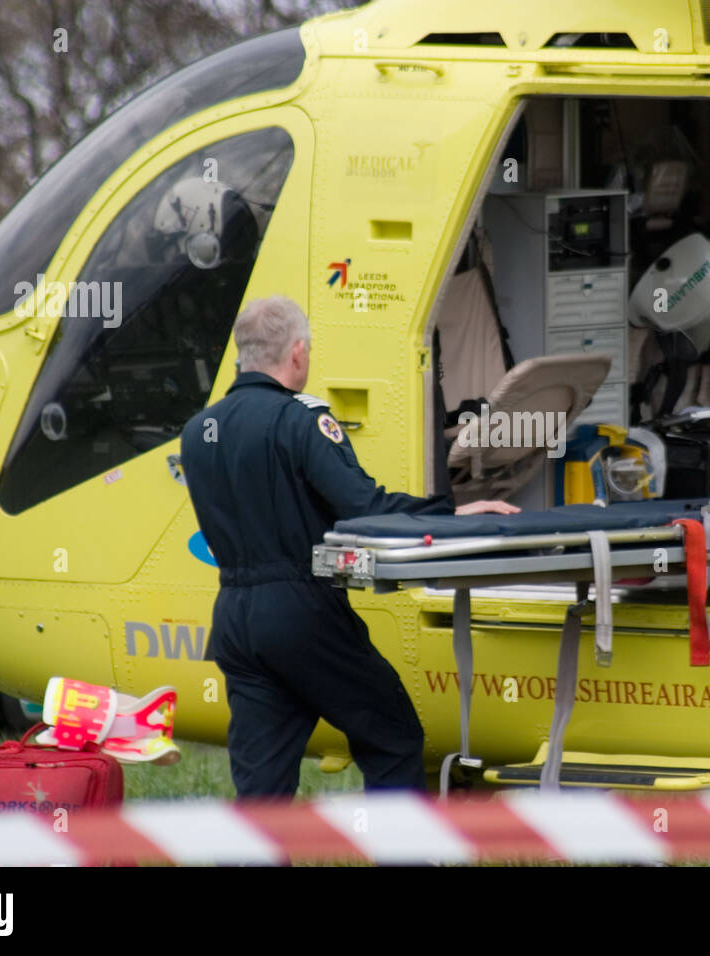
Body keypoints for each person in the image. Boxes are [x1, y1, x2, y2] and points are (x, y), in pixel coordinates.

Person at [181, 295, 518, 797]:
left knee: (261, 784)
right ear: (297, 353)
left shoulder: (197, 432)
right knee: (394, 738)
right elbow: (364, 506)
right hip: (301, 611)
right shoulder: (300, 421)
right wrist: (451, 514)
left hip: (234, 618)